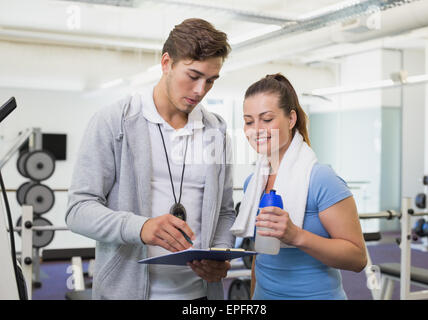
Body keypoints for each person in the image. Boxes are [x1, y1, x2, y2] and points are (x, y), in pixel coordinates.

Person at [66, 18, 235, 300]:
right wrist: (140, 227)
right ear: (166, 63)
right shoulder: (114, 122)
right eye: (193, 76)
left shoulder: (215, 130)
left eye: (211, 81)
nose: (200, 91)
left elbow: (225, 212)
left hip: (200, 296)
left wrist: (219, 254)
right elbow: (78, 210)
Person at [231, 73, 367, 300]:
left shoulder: (321, 179)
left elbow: (357, 258)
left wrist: (296, 236)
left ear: (291, 119)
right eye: (248, 121)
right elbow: (260, 255)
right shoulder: (253, 183)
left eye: (266, 119)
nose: (256, 129)